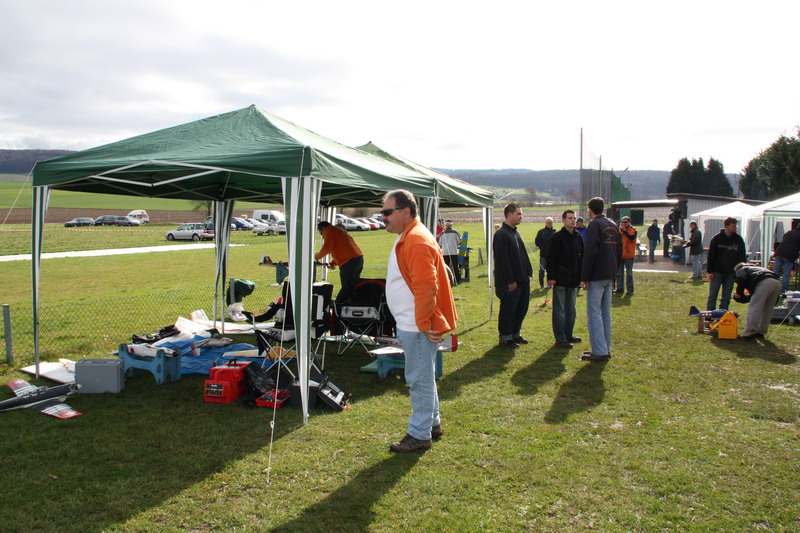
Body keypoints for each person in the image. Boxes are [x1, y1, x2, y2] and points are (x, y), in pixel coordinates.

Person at [382, 190, 457, 453]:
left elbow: (427, 286)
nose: (383, 217)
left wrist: (424, 323)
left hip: (417, 326)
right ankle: (431, 424)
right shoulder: (411, 235)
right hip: (414, 324)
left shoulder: (416, 239)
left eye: (387, 212)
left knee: (419, 379)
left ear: (405, 212)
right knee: (424, 376)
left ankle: (420, 434)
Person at [580, 197, 622, 361]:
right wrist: (614, 273)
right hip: (609, 274)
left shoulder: (595, 225)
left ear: (590, 210)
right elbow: (619, 252)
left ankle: (599, 351)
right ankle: (605, 347)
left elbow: (590, 252)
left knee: (594, 313)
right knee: (605, 313)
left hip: (596, 274)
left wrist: (584, 277)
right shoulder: (613, 225)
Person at [493, 203, 533, 348]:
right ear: (509, 215)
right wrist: (510, 280)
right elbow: (502, 260)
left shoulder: (515, 232)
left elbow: (522, 255)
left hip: (522, 279)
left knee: (521, 308)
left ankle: (515, 334)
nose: (521, 216)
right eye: (519, 214)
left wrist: (528, 272)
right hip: (510, 282)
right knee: (508, 310)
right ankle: (506, 337)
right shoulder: (502, 234)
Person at [546, 209, 584, 349]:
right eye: (570, 218)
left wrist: (582, 277)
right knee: (560, 311)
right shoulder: (557, 237)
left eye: (574, 218)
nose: (573, 220)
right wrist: (551, 277)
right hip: (560, 279)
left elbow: (581, 258)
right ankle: (560, 338)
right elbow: (551, 259)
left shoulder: (578, 237)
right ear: (563, 220)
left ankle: (568, 335)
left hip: (573, 280)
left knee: (571, 310)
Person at [314, 221, 364, 301]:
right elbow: (343, 248)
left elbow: (327, 247)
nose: (322, 235)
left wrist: (317, 256)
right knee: (354, 285)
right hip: (358, 258)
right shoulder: (338, 230)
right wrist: (334, 262)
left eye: (321, 233)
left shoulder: (328, 231)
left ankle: (341, 304)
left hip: (349, 261)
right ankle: (355, 302)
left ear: (323, 228)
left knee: (347, 286)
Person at [732, 262, 782, 340]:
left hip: (764, 282)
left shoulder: (742, 269)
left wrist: (739, 293)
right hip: (777, 282)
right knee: (767, 310)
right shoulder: (757, 269)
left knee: (754, 308)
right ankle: (761, 332)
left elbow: (742, 279)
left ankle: (749, 333)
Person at [706, 217, 747, 311]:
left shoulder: (738, 239)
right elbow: (711, 255)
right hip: (717, 272)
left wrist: (739, 271)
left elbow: (742, 257)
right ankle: (710, 315)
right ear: (726, 226)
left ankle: (723, 315)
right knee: (712, 295)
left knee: (726, 297)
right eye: (733, 226)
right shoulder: (716, 239)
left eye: (735, 226)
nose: (735, 228)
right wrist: (710, 271)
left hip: (731, 273)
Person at [772, 222, 800, 294]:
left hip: (779, 252)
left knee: (775, 272)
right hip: (789, 255)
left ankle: (773, 288)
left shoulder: (789, 232)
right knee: (786, 273)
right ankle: (783, 290)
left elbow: (784, 239)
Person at [615, 216, 637, 295]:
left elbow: (631, 238)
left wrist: (624, 230)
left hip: (629, 255)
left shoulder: (633, 230)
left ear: (629, 222)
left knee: (629, 273)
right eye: (622, 222)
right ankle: (620, 288)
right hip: (621, 255)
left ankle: (630, 290)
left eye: (625, 222)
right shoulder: (620, 231)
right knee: (619, 273)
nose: (623, 223)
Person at [437, 220, 462, 285]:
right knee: (455, 267)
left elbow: (440, 243)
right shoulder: (455, 232)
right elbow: (459, 242)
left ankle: (446, 280)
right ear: (451, 225)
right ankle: (457, 280)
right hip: (453, 252)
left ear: (445, 225)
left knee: (446, 267)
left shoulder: (442, 233)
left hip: (445, 252)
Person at [535, 217, 556, 288]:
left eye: (550, 222)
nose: (549, 224)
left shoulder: (555, 232)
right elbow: (537, 241)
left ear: (552, 223)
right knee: (542, 270)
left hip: (552, 255)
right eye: (548, 222)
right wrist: (542, 247)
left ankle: (550, 285)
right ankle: (542, 285)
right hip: (543, 255)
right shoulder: (541, 232)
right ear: (545, 223)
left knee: (551, 270)